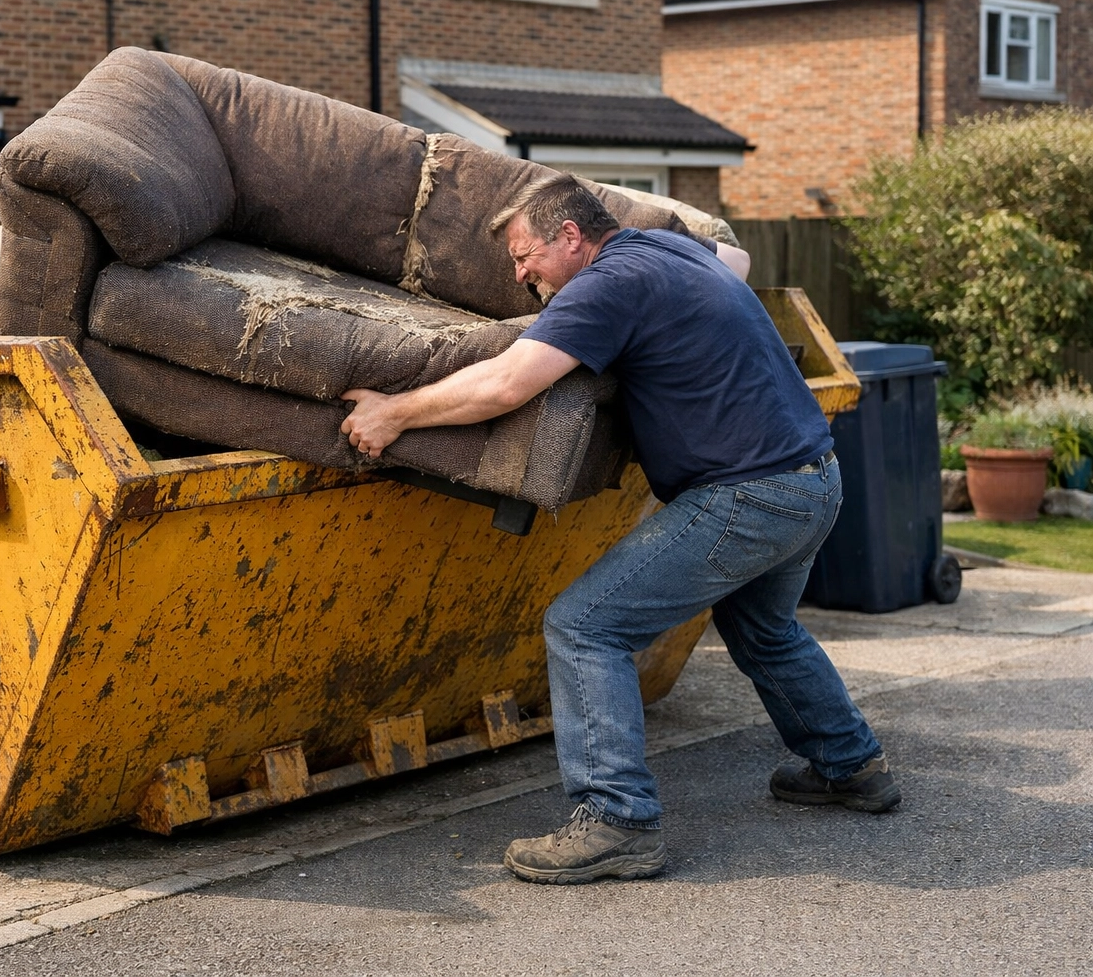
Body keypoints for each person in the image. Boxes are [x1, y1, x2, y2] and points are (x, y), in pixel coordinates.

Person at [340, 175, 898, 886]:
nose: (521, 276)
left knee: (585, 627)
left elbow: (507, 384)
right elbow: (740, 262)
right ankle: (852, 767)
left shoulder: (606, 286)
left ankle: (617, 821)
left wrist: (395, 412)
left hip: (750, 496)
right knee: (765, 630)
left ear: (570, 237)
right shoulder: (677, 252)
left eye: (524, 256)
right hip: (814, 478)